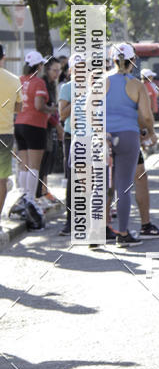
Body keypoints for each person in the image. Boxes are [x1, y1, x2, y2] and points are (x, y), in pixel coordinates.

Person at [105, 42, 157, 245]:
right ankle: (123, 234)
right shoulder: (136, 85)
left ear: (111, 60)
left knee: (102, 186)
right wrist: (150, 132)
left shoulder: (101, 82)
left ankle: (96, 232)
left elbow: (88, 112)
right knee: (123, 186)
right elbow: (146, 115)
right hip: (128, 136)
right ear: (133, 61)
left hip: (104, 137)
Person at [14, 50, 56, 229]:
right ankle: (30, 199)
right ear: (39, 66)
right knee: (34, 166)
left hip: (19, 123)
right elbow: (39, 105)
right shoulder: (38, 82)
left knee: (23, 163)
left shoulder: (19, 80)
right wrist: (51, 109)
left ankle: (24, 196)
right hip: (35, 125)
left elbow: (16, 104)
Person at [0, 44, 22, 224]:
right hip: (5, 133)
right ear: (3, 57)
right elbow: (19, 107)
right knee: (2, 179)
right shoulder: (14, 79)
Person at [36, 57, 62, 204]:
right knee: (42, 161)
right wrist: (57, 125)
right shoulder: (43, 83)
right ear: (47, 69)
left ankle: (44, 190)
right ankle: (39, 193)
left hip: (50, 126)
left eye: (59, 70)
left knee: (48, 160)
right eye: (55, 70)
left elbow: (54, 108)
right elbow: (45, 108)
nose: (57, 73)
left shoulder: (52, 84)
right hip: (42, 126)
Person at [57, 56, 74, 236]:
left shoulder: (96, 86)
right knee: (72, 178)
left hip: (91, 136)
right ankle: (70, 221)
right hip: (72, 136)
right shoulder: (66, 88)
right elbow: (62, 115)